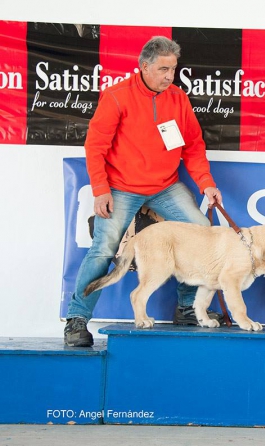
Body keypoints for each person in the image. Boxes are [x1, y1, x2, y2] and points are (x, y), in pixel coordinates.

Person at [64, 36, 223, 347]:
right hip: (120, 187)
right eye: (163, 69)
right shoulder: (116, 97)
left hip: (164, 186)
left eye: (173, 69)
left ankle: (188, 308)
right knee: (104, 248)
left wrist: (206, 183)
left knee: (203, 232)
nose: (169, 76)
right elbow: (95, 147)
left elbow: (192, 146)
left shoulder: (178, 98)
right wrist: (100, 188)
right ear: (144, 67)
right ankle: (77, 319)